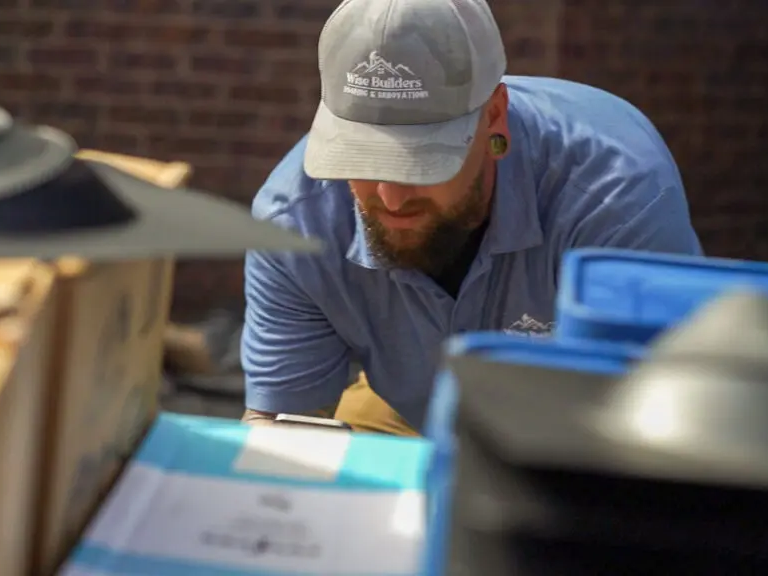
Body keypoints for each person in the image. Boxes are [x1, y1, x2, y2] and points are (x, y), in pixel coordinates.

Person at [240, 0, 703, 436]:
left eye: (423, 163)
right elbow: (278, 438)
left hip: (577, 428)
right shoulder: (293, 223)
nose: (391, 197)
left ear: (494, 117)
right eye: (363, 159)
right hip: (411, 408)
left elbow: (661, 424)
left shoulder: (614, 199)